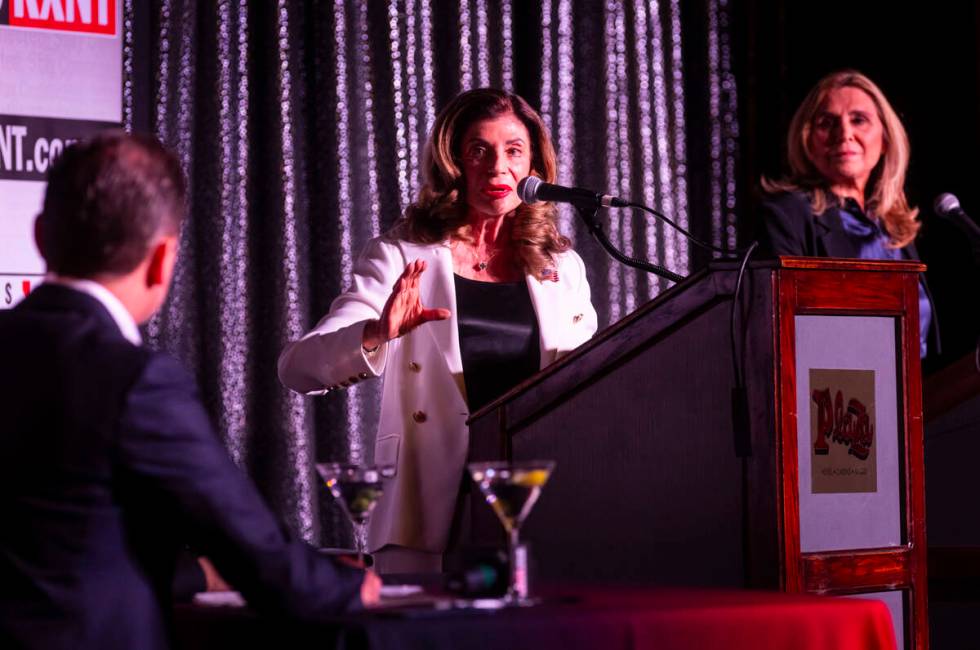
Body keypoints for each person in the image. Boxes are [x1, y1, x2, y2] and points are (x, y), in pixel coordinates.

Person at [0, 132, 380, 650]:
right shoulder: (136, 381)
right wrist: (352, 587)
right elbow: (250, 548)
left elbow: (70, 546)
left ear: (41, 236)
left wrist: (200, 574)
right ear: (163, 260)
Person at [278, 88, 598, 573]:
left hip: (532, 505)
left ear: (534, 167)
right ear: (453, 163)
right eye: (478, 150)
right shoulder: (401, 255)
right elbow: (297, 368)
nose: (497, 168)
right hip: (427, 505)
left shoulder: (563, 267)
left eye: (513, 150)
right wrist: (376, 332)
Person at [757, 70, 938, 358]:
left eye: (859, 120)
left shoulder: (893, 225)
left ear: (886, 139)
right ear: (807, 141)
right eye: (826, 123)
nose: (844, 134)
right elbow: (778, 328)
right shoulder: (788, 214)